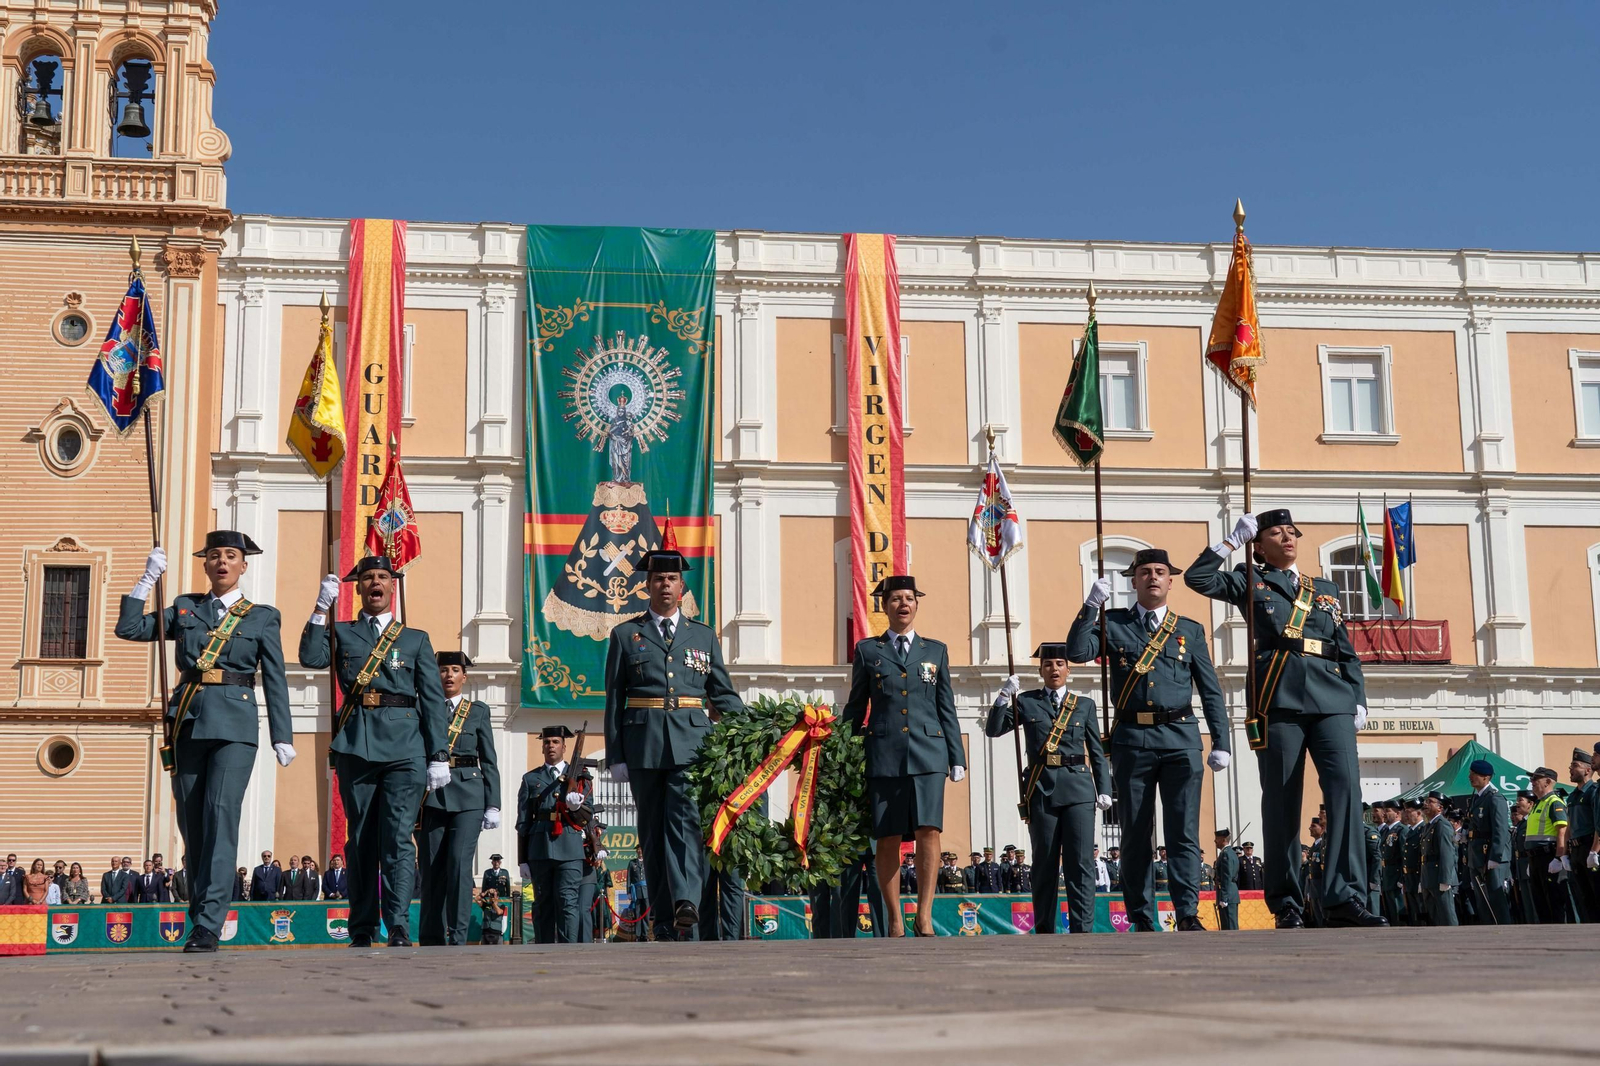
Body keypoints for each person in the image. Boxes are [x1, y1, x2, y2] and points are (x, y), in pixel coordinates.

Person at [1184, 510, 1385, 928]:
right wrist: (1230, 543)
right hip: (1279, 697)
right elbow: (1197, 579)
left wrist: (1358, 696)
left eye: (1292, 532)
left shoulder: (1324, 588)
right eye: (1276, 533)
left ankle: (1344, 897)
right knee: (1281, 800)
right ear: (1259, 546)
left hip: (1332, 697)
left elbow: (1344, 647)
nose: (1287, 537)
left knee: (1346, 792)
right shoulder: (1249, 579)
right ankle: (1287, 902)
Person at [116, 531, 295, 952]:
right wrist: (146, 580)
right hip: (188, 721)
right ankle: (200, 918)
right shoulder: (185, 607)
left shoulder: (262, 617)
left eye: (231, 556)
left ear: (243, 566)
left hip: (235, 727)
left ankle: (210, 923)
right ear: (206, 564)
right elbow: (129, 629)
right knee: (192, 826)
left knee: (220, 814)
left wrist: (282, 735)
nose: (222, 562)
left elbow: (275, 677)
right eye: (214, 555)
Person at [1068, 547, 1229, 933]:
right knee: (1135, 833)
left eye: (1159, 571)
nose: (1152, 577)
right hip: (1133, 739)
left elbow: (1210, 690)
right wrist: (1089, 607)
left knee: (1183, 831)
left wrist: (1221, 739)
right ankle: (1141, 916)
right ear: (1134, 581)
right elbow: (1077, 651)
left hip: (1180, 738)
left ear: (1170, 581)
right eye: (1144, 572)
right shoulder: (1113, 623)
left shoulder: (1190, 630)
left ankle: (1187, 912)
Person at [300, 555, 450, 948]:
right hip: (357, 744)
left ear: (392, 585)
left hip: (405, 747)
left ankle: (397, 924)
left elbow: (432, 700)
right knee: (361, 839)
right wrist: (321, 608)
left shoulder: (415, 639)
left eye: (383, 576)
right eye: (368, 578)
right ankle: (362, 927)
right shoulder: (342, 632)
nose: (376, 583)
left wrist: (439, 754)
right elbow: (311, 658)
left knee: (398, 839)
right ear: (359, 588)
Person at [604, 549, 744, 941]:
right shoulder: (625, 634)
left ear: (682, 586)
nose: (665, 585)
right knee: (651, 834)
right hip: (643, 742)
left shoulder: (703, 635)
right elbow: (614, 699)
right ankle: (664, 921)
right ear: (647, 585)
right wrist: (615, 755)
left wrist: (754, 728)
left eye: (671, 579)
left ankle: (686, 902)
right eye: (658, 579)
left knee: (685, 823)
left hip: (692, 743)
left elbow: (722, 693)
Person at [843, 574, 965, 938]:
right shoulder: (868, 650)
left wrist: (956, 755)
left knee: (929, 830)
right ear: (884, 606)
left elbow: (946, 707)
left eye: (909, 598)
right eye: (896, 598)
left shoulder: (935, 650)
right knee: (889, 836)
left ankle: (924, 915)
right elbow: (856, 705)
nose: (903, 604)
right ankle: (895, 918)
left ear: (916, 604)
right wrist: (842, 749)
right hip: (884, 753)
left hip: (929, 752)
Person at [987, 642, 1110, 934]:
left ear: (1068, 670)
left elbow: (1096, 751)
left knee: (1080, 862)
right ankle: (1044, 927)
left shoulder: (1084, 705)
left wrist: (1104, 787)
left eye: (1059, 664)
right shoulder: (1026, 701)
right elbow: (994, 729)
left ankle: (1082, 928)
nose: (1054, 669)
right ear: (1041, 671)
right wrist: (1003, 697)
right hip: (1042, 789)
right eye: (1047, 665)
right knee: (1044, 862)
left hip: (1079, 790)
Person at [419, 651, 500, 946]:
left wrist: (493, 803)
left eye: (455, 670)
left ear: (464, 676)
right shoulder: (423, 707)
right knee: (431, 868)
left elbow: (488, 759)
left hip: (469, 796)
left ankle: (458, 936)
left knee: (458, 865)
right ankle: (431, 937)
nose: (449, 675)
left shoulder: (477, 711)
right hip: (432, 796)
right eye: (443, 670)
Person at [517, 725, 592, 943]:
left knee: (568, 901)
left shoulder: (580, 776)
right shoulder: (530, 778)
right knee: (542, 903)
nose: (551, 746)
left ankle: (568, 951)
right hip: (540, 848)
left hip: (569, 847)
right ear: (542, 747)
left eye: (555, 742)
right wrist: (522, 859)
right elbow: (523, 822)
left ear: (564, 747)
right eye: (547, 742)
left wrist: (577, 807)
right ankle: (544, 950)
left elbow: (589, 815)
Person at [1465, 759, 1512, 925]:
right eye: (1471, 773)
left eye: (1474, 774)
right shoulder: (1477, 797)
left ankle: (1504, 930)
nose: (1470, 777)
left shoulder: (1494, 798)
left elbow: (1500, 829)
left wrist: (1495, 856)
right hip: (1477, 855)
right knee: (1483, 900)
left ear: (1486, 777)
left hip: (1490, 854)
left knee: (1496, 899)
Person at [1524, 766, 1569, 924]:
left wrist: (1558, 858)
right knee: (1540, 902)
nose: (1532, 781)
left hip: (1548, 857)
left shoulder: (1554, 802)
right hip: (1535, 858)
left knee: (1553, 901)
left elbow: (1562, 831)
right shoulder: (1538, 803)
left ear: (1548, 782)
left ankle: (1558, 935)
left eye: (1536, 779)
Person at [1564, 748, 1597, 922]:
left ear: (1587, 770)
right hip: (1576, 850)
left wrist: (1594, 851)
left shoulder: (1593, 792)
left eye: (1575, 765)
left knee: (1595, 893)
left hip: (1590, 846)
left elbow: (1598, 825)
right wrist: (1565, 854)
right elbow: (1569, 826)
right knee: (1583, 897)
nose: (1570, 768)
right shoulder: (1572, 796)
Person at [1418, 791, 1458, 926]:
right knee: (1434, 916)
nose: (1425, 804)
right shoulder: (1428, 826)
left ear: (1440, 808)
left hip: (1439, 877)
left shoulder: (1442, 824)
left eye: (1430, 802)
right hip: (1428, 877)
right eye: (1426, 801)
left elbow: (1447, 853)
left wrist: (1445, 879)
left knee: (1446, 915)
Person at [1379, 803, 1405, 925]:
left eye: (1388, 810)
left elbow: (1404, 855)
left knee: (1398, 910)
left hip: (1396, 875)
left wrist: (1402, 877)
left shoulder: (1401, 830)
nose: (1384, 813)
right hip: (1387, 875)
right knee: (1390, 911)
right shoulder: (1386, 831)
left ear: (1397, 813)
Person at [1510, 791, 1533, 923]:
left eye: (1520, 800)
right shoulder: (1521, 825)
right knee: (1526, 903)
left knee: (1533, 901)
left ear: (1530, 804)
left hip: (1529, 864)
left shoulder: (1531, 821)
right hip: (1521, 867)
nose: (1517, 803)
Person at [1401, 800, 1425, 925]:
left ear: (1419, 813)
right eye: (1405, 812)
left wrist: (1421, 879)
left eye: (1409, 812)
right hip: (1409, 877)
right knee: (1414, 912)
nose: (1406, 815)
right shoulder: (1410, 831)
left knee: (1422, 911)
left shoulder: (1423, 830)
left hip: (1418, 875)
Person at [1212, 829, 1240, 930]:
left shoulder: (1226, 854)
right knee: (1228, 925)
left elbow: (1227, 876)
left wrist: (1224, 898)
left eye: (1217, 838)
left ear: (1223, 839)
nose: (1215, 841)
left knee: (1229, 927)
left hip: (1228, 894)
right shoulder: (1229, 853)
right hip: (1229, 892)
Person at [1362, 804, 1383, 917]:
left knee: (1372, 912)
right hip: (1355, 880)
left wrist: (1374, 880)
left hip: (1368, 879)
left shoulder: (1368, 832)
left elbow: (1377, 857)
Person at [1305, 819, 1326, 927]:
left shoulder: (1323, 845)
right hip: (1314, 886)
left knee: (1324, 917)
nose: (1310, 828)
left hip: (1322, 885)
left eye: (1313, 826)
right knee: (1317, 918)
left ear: (1322, 828)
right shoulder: (1314, 846)